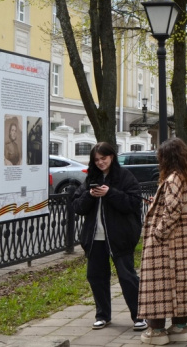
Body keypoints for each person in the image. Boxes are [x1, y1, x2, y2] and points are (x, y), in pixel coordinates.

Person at [72, 142, 147, 332]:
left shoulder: (124, 177)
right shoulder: (91, 178)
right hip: (95, 237)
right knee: (96, 277)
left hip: (120, 237)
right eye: (96, 160)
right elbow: (78, 207)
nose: (100, 163)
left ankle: (139, 316)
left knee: (127, 277)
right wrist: (90, 195)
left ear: (111, 157)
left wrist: (110, 193)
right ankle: (102, 315)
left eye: (103, 159)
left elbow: (133, 204)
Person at [138, 138, 187, 345]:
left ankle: (156, 331)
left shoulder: (173, 178)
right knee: (181, 284)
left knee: (159, 284)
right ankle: (180, 326)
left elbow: (173, 210)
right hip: (184, 241)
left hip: (168, 243)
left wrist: (158, 234)